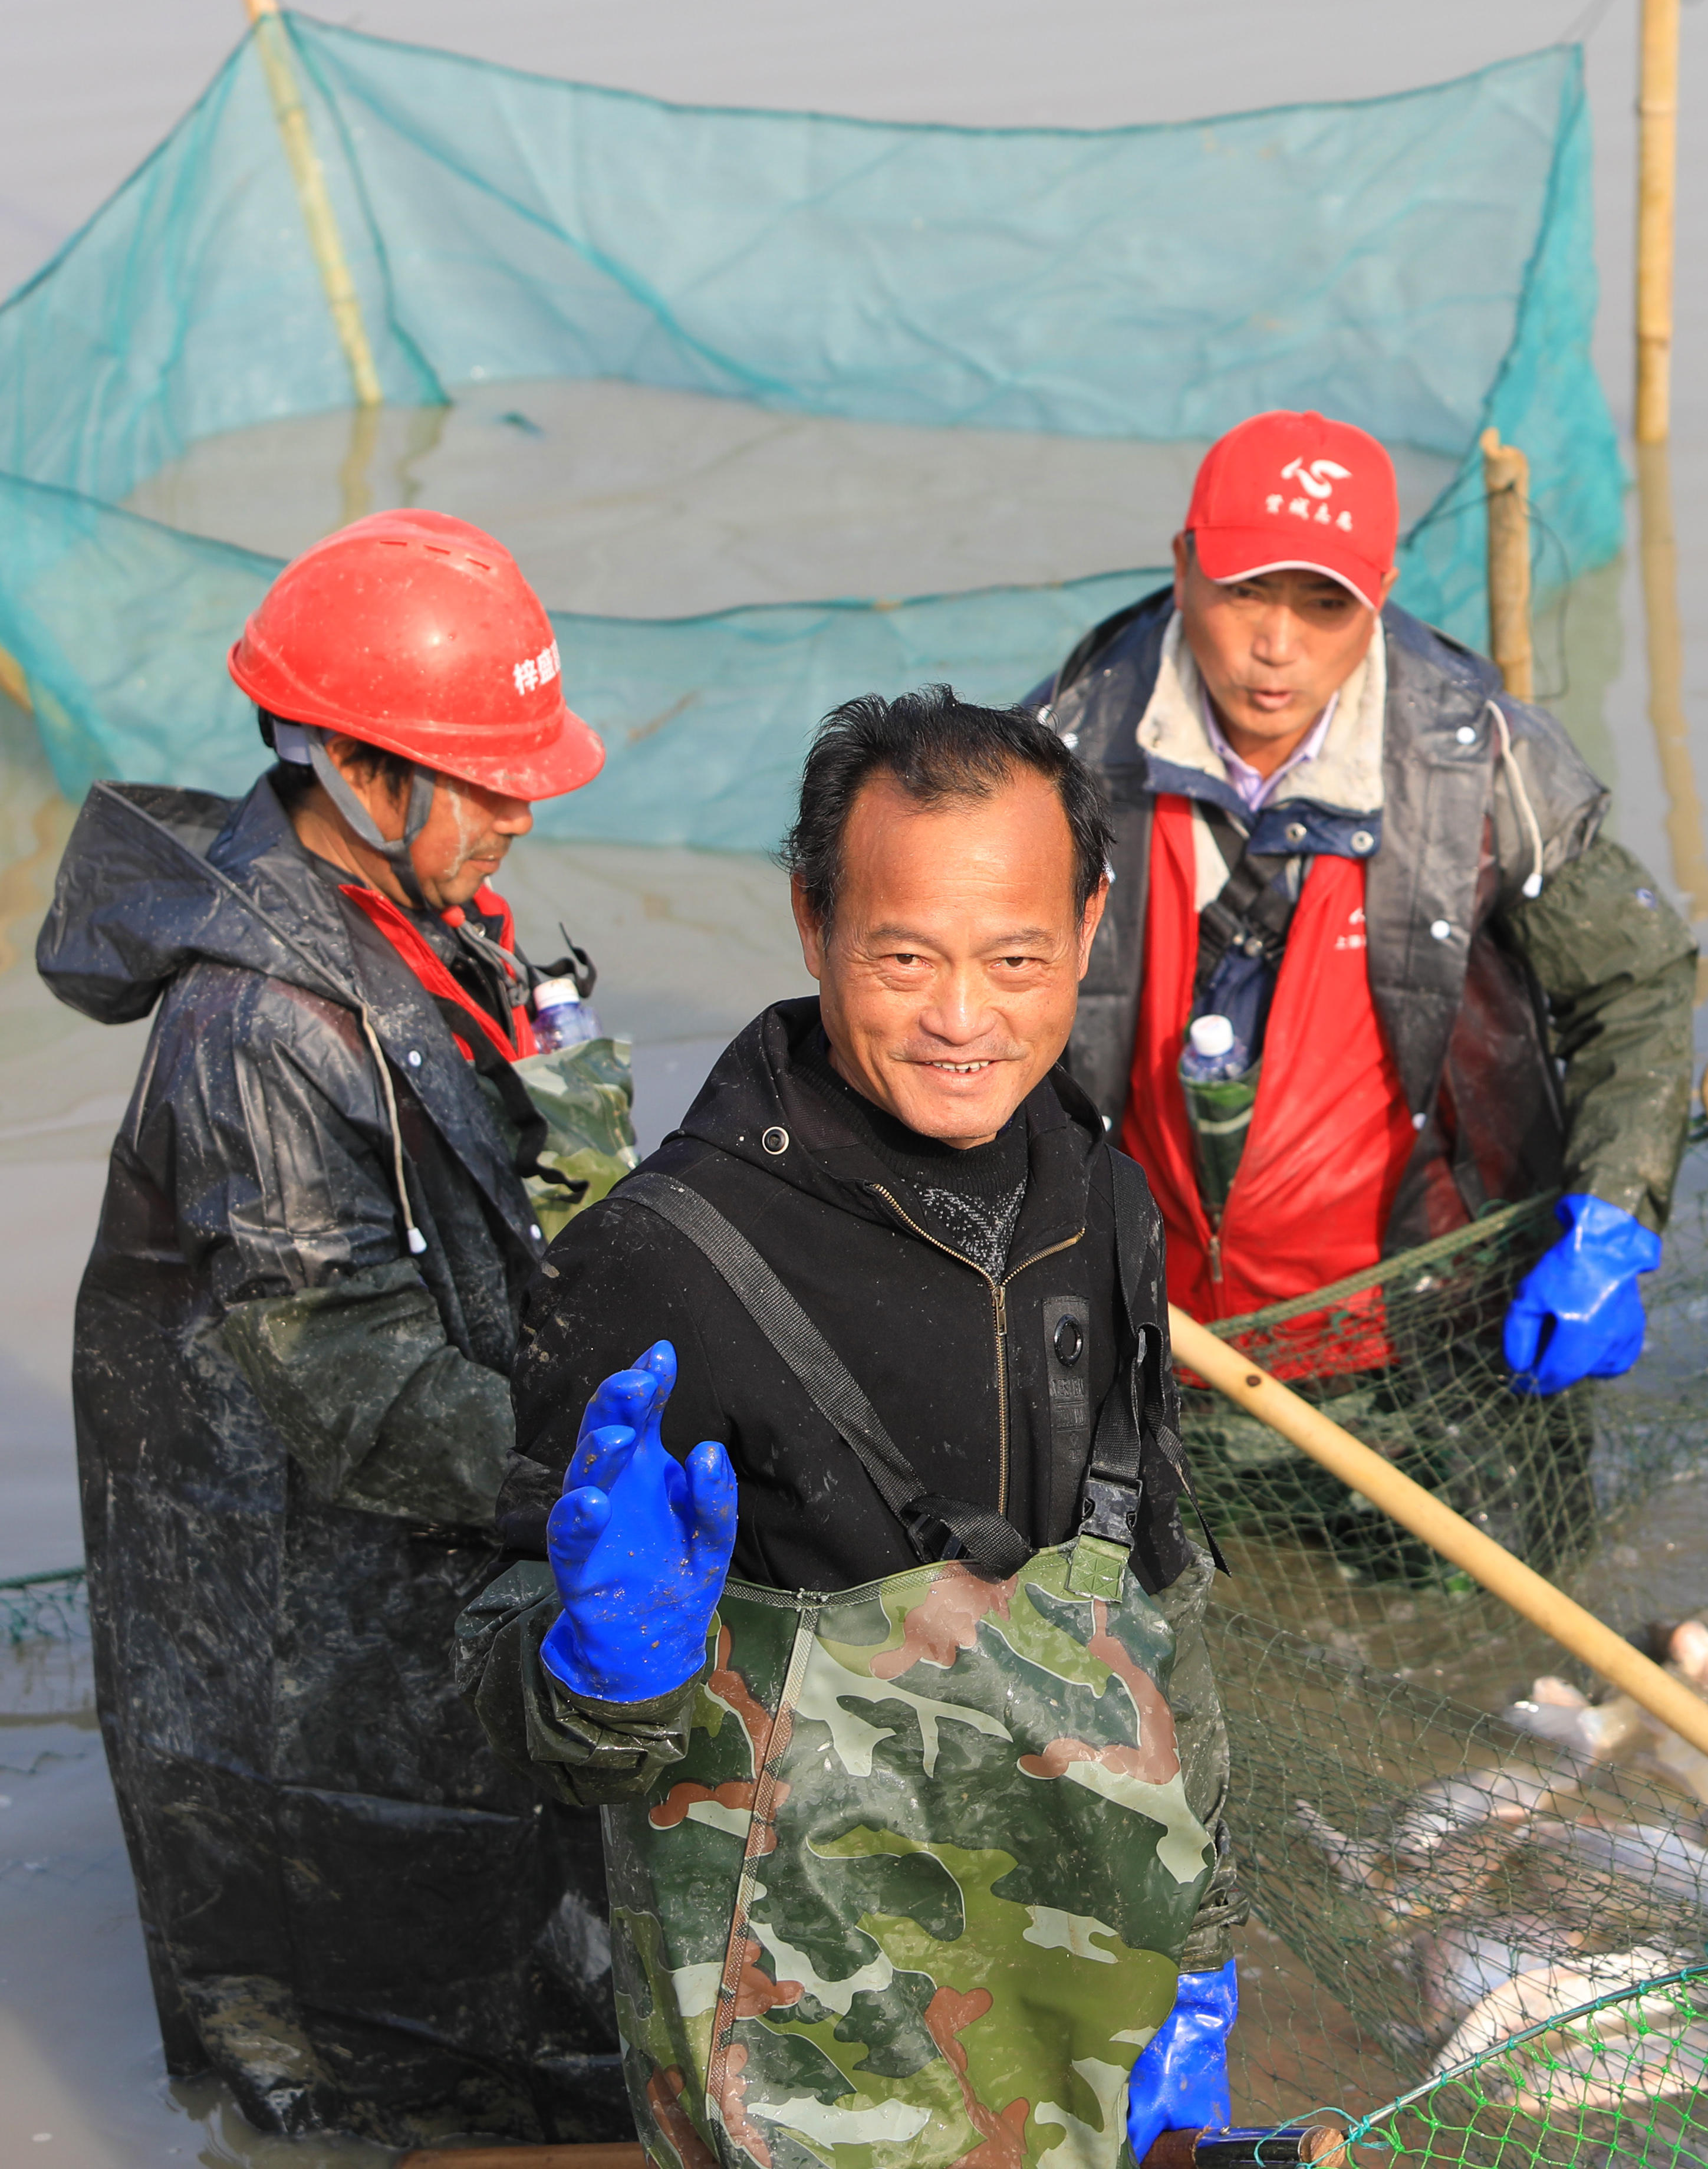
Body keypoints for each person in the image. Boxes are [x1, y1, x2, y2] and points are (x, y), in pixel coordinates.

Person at [465, 689, 1249, 2168]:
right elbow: (493, 1703)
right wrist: (600, 1666)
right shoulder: (658, 1259)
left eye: (1017, 958)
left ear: (1089, 930)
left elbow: (1160, 1581)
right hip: (804, 2047)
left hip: (1084, 1963)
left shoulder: (1105, 1194)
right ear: (813, 920)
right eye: (906, 957)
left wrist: (1199, 1946)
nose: (965, 1017)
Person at [37, 509, 632, 2144]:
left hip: (408, 1553)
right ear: (357, 775)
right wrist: (596, 1463)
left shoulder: (422, 919)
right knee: (354, 2050)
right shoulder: (259, 1029)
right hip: (291, 1613)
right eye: (490, 776)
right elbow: (359, 1390)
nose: (523, 805)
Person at [1026, 410, 1697, 1573]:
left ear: (1378, 597)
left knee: (1486, 1665)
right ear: (1182, 566)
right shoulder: (1061, 752)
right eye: (1245, 593)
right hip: (1157, 1343)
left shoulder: (1482, 760)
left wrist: (1617, 1212)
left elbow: (1636, 984)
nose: (1275, 647)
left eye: (1324, 605)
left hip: (1428, 1343)